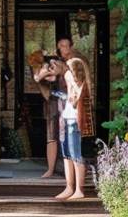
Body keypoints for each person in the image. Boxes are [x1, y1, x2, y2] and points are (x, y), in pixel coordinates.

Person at [56, 57, 90, 200]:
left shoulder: (81, 85)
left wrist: (72, 95)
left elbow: (76, 102)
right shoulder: (70, 80)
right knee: (66, 155)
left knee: (76, 155)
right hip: (67, 119)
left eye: (69, 69)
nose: (67, 73)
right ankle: (69, 187)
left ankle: (79, 189)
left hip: (74, 121)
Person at [33, 56, 67, 177]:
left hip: (66, 106)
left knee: (66, 136)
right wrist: (46, 69)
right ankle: (50, 169)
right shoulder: (49, 73)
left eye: (55, 64)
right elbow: (37, 78)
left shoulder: (67, 73)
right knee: (51, 137)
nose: (52, 67)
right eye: (50, 64)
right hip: (53, 104)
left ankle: (66, 169)